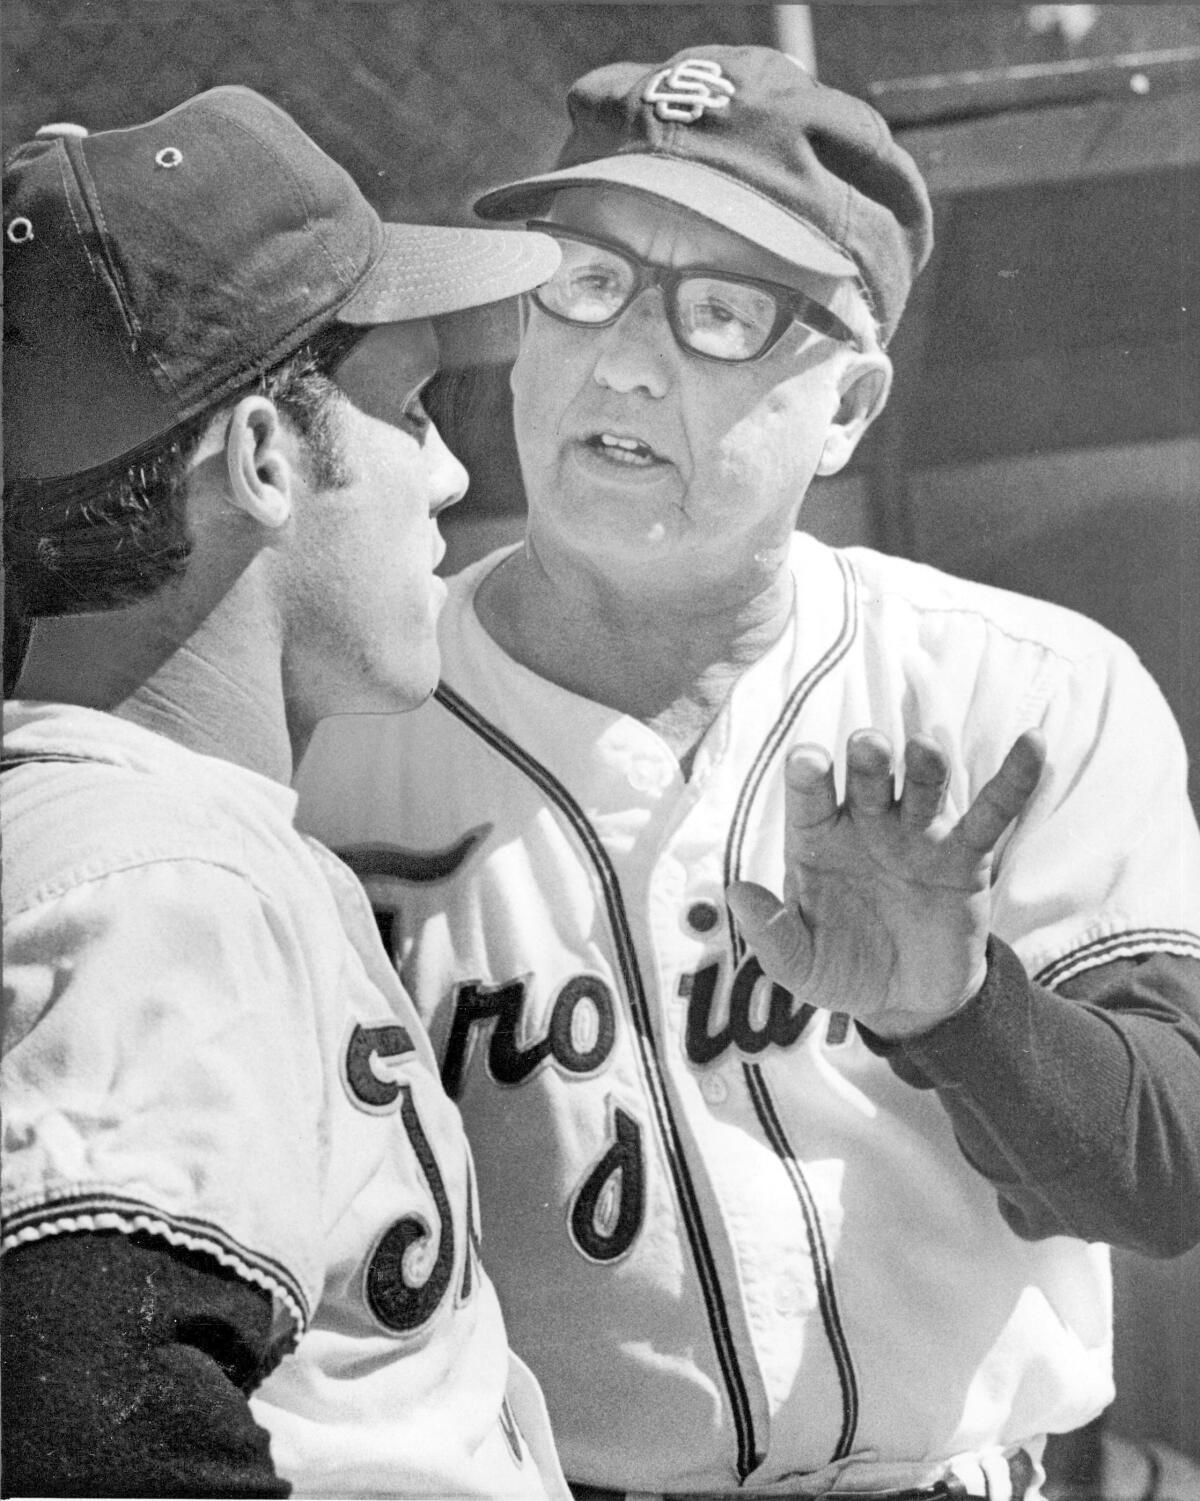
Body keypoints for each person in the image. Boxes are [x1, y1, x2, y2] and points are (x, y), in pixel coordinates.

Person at [295, 46, 1200, 1501]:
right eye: (582, 280)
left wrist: (964, 1015)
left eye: (723, 311)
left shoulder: (1022, 693)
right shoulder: (339, 724)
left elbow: (1167, 1168)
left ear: (848, 406)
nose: (626, 356)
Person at [0, 85, 570, 1499]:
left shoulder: (119, 833)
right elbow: (92, 1419)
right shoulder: (160, 879)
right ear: (262, 459)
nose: (445, 472)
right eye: (413, 407)